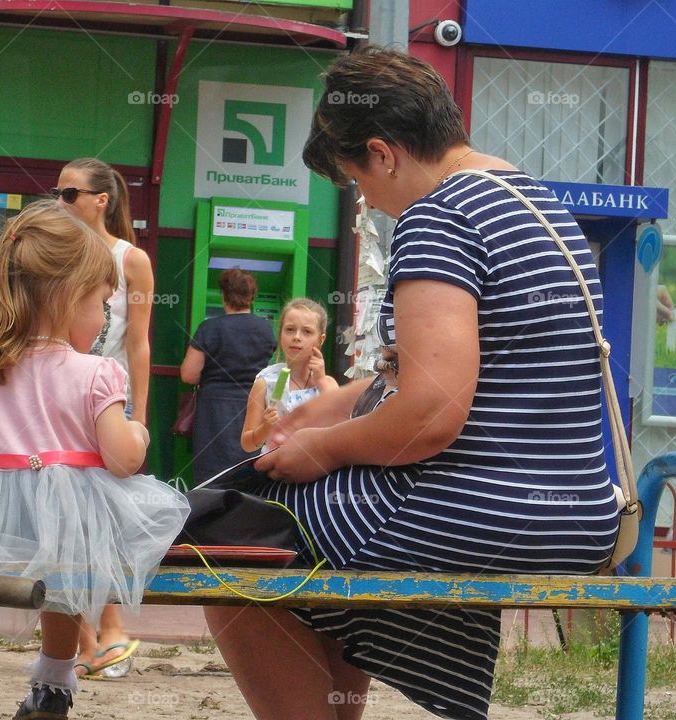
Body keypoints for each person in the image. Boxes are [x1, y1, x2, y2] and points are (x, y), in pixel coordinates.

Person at [203, 47, 621, 720]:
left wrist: (324, 448)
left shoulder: (438, 217)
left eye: (357, 181)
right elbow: (481, 372)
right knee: (318, 562)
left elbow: (432, 413)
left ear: (383, 151)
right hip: (577, 510)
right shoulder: (532, 201)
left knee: (235, 546)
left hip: (485, 508)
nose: (367, 203)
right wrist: (341, 405)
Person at [0, 200, 189, 720]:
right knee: (71, 569)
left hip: (2, 519)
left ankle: (49, 681)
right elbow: (121, 460)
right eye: (101, 304)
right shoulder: (96, 372)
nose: (102, 321)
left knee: (59, 570)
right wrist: (138, 432)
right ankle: (55, 678)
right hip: (77, 511)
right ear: (71, 297)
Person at [54, 157, 154, 677]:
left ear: (101, 200)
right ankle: (88, 640)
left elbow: (138, 343)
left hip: (106, 397)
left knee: (106, 515)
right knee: (64, 513)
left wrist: (140, 413)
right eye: (58, 192)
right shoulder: (54, 248)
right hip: (58, 394)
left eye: (70, 193)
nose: (60, 201)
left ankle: (108, 631)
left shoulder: (129, 259)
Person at [179, 268, 276, 480]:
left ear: (224, 295)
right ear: (251, 297)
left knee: (211, 475)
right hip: (254, 405)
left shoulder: (209, 328)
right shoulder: (267, 329)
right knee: (247, 468)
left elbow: (189, 374)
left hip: (214, 409)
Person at [240, 298, 338, 452]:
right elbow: (247, 444)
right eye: (290, 329)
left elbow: (341, 424)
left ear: (320, 339)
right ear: (280, 335)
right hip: (276, 468)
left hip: (316, 470)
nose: (297, 337)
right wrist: (265, 428)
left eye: (307, 331)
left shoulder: (328, 384)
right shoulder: (266, 382)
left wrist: (321, 380)